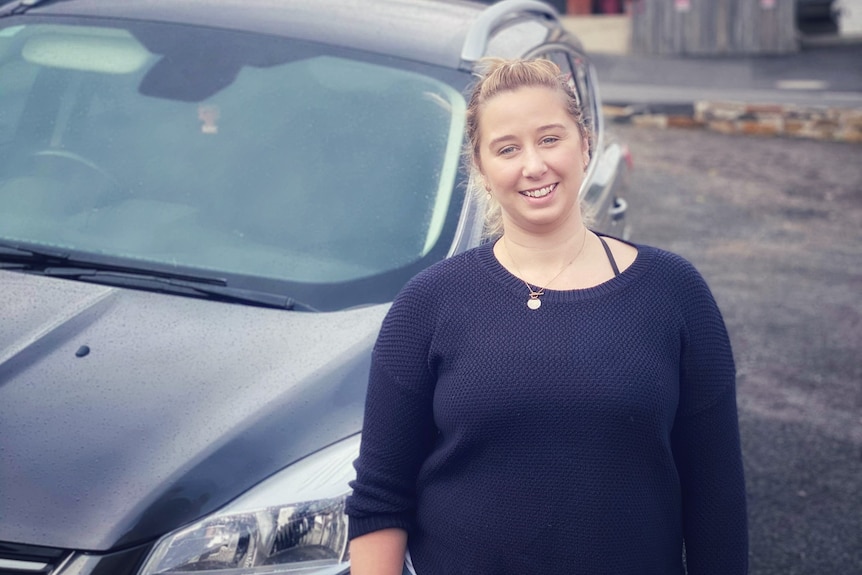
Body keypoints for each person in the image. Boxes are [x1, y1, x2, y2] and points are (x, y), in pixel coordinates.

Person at [345, 58, 748, 575]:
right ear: (482, 168)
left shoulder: (674, 293)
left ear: (585, 144)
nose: (533, 165)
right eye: (507, 148)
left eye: (550, 138)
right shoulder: (429, 303)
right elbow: (381, 495)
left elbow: (716, 499)